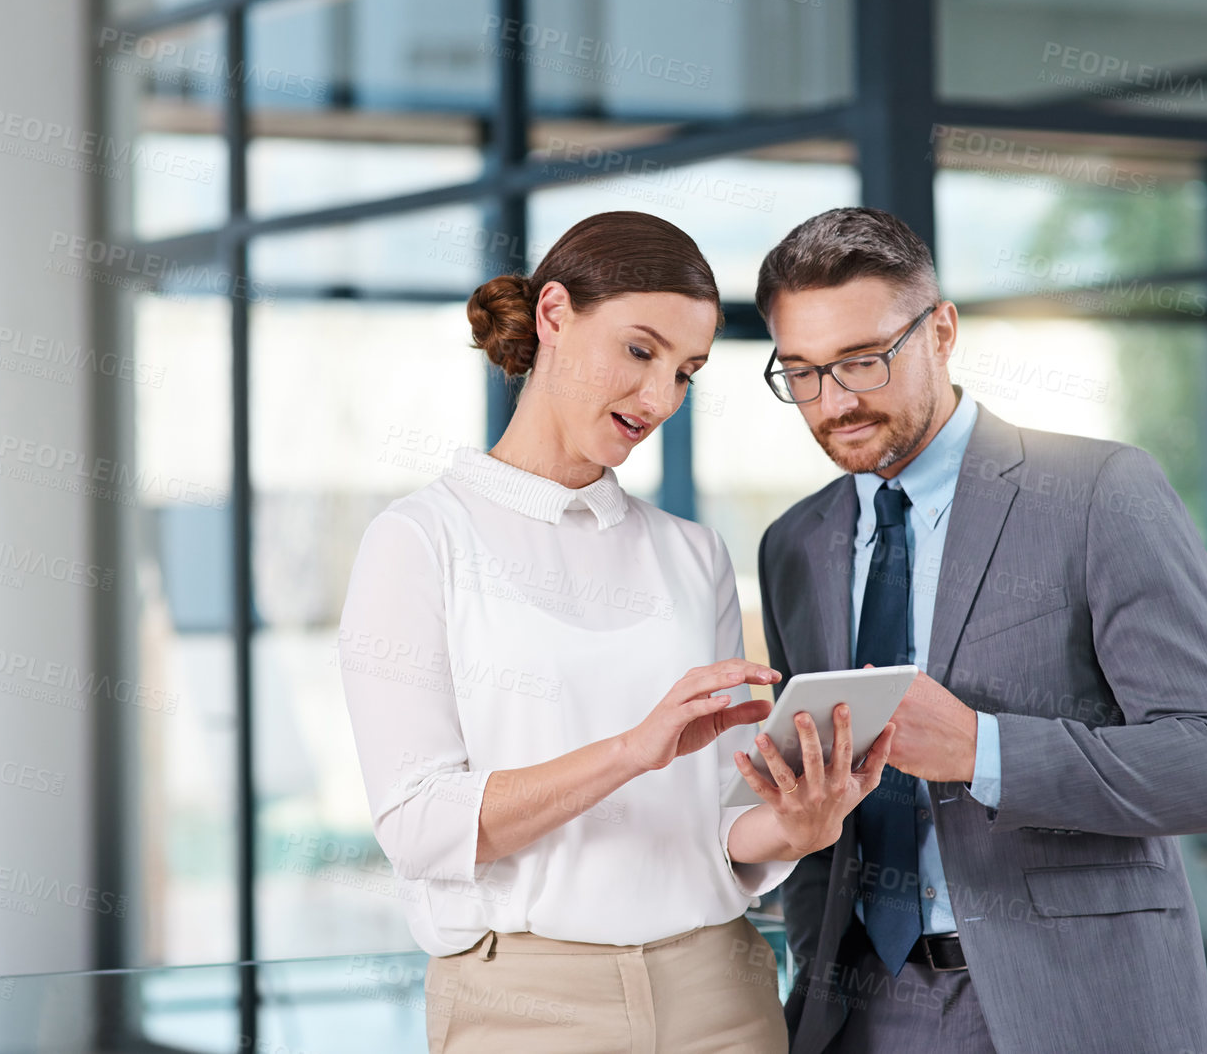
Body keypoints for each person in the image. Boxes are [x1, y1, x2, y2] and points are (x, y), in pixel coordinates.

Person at [338, 210, 895, 1053]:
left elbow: (715, 821)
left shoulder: (691, 553)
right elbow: (418, 823)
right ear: (554, 315)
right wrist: (633, 749)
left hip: (722, 990)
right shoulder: (421, 541)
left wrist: (800, 825)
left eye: (686, 372)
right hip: (526, 1005)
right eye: (640, 351)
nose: (658, 397)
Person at [754, 206, 1207, 1053]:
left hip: (1064, 1007)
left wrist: (979, 748)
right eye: (802, 372)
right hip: (855, 1012)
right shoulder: (793, 544)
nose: (835, 400)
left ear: (941, 331)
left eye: (862, 360)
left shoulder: (1098, 491)